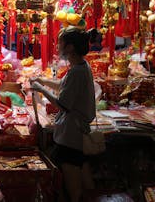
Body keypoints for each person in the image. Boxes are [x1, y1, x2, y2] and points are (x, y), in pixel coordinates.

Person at [30, 26, 96, 202]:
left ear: (70, 47)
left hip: (71, 135)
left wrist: (40, 89)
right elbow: (62, 86)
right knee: (78, 176)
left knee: (73, 187)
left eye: (60, 43)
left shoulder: (77, 71)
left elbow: (62, 103)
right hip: (74, 133)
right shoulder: (81, 66)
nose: (57, 47)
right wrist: (43, 80)